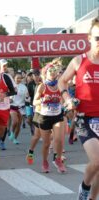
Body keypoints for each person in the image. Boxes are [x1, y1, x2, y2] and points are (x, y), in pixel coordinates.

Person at [58, 17, 99, 200]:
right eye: (97, 38)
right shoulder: (78, 61)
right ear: (89, 38)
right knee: (98, 160)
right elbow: (62, 81)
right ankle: (84, 189)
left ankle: (92, 198)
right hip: (84, 119)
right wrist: (67, 97)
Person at [34, 62, 66, 174]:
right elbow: (34, 102)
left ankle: (58, 160)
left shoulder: (60, 85)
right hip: (45, 117)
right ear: (45, 74)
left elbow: (65, 99)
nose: (52, 73)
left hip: (57, 115)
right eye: (50, 71)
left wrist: (67, 103)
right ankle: (45, 162)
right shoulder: (42, 86)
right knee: (46, 143)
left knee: (59, 139)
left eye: (54, 71)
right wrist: (43, 100)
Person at [9, 72, 30, 144]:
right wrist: (9, 99)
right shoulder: (11, 86)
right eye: (17, 78)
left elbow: (27, 97)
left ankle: (15, 138)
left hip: (21, 107)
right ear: (14, 78)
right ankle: (11, 132)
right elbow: (7, 96)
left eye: (20, 78)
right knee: (15, 121)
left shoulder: (24, 87)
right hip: (13, 106)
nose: (18, 79)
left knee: (19, 125)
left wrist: (27, 97)